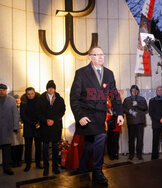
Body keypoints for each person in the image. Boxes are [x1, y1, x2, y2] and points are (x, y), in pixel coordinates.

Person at [70, 46, 124, 185]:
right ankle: (97, 171)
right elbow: (74, 98)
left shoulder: (109, 74)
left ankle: (82, 168)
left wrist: (119, 112)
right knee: (101, 136)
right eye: (97, 54)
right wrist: (80, 116)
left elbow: (114, 95)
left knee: (89, 144)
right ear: (90, 57)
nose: (101, 57)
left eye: (102, 54)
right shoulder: (81, 73)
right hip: (86, 115)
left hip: (100, 115)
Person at [37, 80, 66, 176]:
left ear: (54, 89)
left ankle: (55, 167)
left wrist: (54, 119)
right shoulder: (41, 99)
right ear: (47, 89)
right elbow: (38, 113)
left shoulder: (59, 99)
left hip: (56, 126)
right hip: (45, 127)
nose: (51, 89)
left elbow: (63, 111)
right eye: (49, 88)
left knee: (55, 147)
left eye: (53, 88)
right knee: (45, 148)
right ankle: (46, 168)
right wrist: (46, 121)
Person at [123, 85, 148, 160]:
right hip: (131, 122)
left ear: (138, 91)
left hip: (140, 122)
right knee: (131, 139)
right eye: (133, 90)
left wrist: (138, 104)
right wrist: (130, 111)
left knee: (140, 139)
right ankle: (131, 154)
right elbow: (123, 109)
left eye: (136, 90)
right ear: (131, 91)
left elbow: (145, 108)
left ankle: (139, 154)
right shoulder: (127, 99)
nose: (134, 92)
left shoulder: (142, 99)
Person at [20, 87, 42, 171]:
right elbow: (23, 115)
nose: (30, 95)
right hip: (28, 127)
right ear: (26, 94)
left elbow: (41, 112)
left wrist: (38, 122)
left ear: (34, 92)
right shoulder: (23, 102)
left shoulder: (39, 100)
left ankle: (38, 163)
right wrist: (32, 123)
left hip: (38, 127)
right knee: (28, 147)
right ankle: (28, 165)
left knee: (38, 146)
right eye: (28, 94)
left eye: (32, 93)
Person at [0, 83, 18, 175]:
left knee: (7, 150)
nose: (1, 91)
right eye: (0, 90)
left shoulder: (11, 100)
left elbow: (15, 114)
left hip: (7, 129)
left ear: (6, 90)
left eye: (3, 90)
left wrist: (15, 127)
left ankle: (7, 168)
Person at [11, 95, 24, 168]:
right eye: (15, 100)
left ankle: (19, 160)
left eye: (18, 100)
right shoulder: (11, 108)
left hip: (21, 129)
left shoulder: (22, 107)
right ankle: (14, 161)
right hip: (13, 128)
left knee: (20, 145)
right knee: (13, 146)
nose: (17, 101)